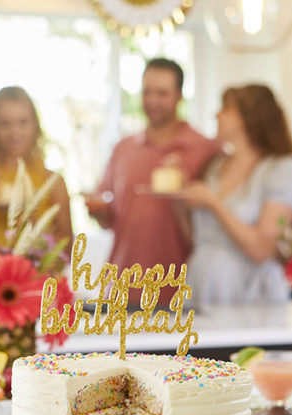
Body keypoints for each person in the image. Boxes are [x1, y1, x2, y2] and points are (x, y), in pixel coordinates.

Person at [85, 57, 220, 306]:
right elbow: (110, 219)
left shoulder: (205, 149)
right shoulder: (123, 149)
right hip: (121, 287)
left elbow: (215, 222)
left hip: (181, 291)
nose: (152, 101)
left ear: (179, 96)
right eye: (147, 92)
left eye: (162, 93)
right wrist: (96, 210)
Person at [176, 84, 292, 306]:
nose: (216, 115)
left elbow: (261, 250)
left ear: (248, 118)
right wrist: (179, 197)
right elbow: (196, 237)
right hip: (202, 283)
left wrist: (213, 203)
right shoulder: (215, 167)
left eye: (225, 109)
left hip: (248, 291)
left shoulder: (281, 169)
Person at [0, 86, 72, 250]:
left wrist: (33, 225)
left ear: (35, 125)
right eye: (5, 124)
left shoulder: (53, 182)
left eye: (23, 122)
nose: (15, 132)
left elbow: (68, 246)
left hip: (37, 275)